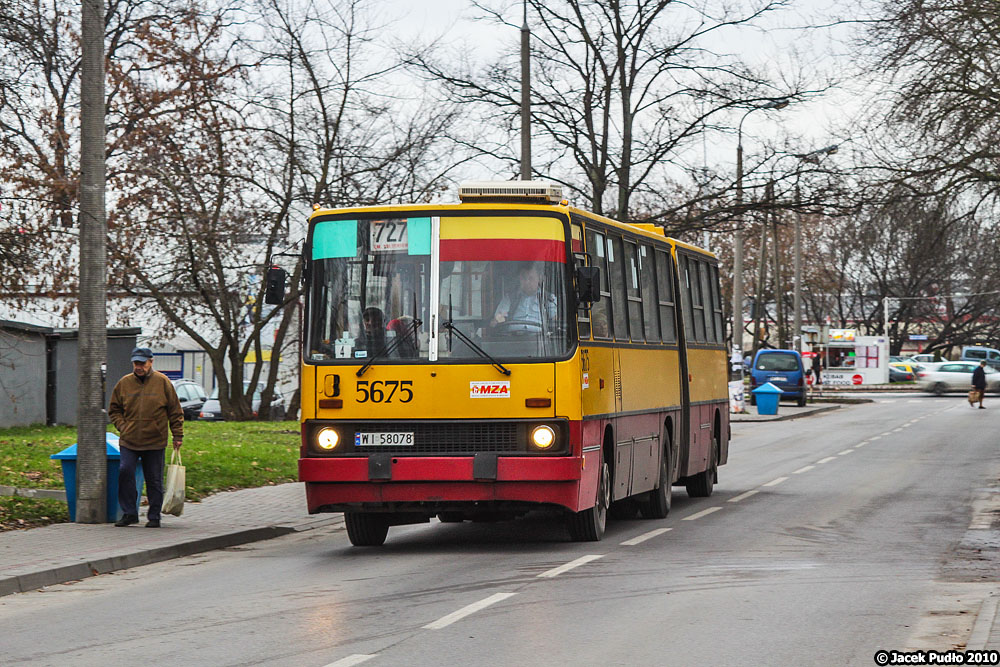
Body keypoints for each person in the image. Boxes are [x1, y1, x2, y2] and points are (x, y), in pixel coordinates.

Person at [108, 347, 183, 527]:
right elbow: (114, 409)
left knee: (154, 479)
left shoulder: (163, 382)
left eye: (142, 363)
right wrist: (123, 426)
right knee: (125, 471)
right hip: (129, 439)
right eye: (136, 363)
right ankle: (129, 513)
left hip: (155, 440)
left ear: (151, 362)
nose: (139, 367)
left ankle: (154, 516)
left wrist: (177, 435)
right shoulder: (124, 383)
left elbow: (175, 411)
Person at [491, 263, 557, 332]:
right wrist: (498, 319)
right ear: (519, 278)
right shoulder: (509, 298)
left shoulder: (548, 298)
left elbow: (555, 321)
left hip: (538, 339)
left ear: (539, 279)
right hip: (512, 339)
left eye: (531, 278)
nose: (527, 282)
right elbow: (497, 319)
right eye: (524, 278)